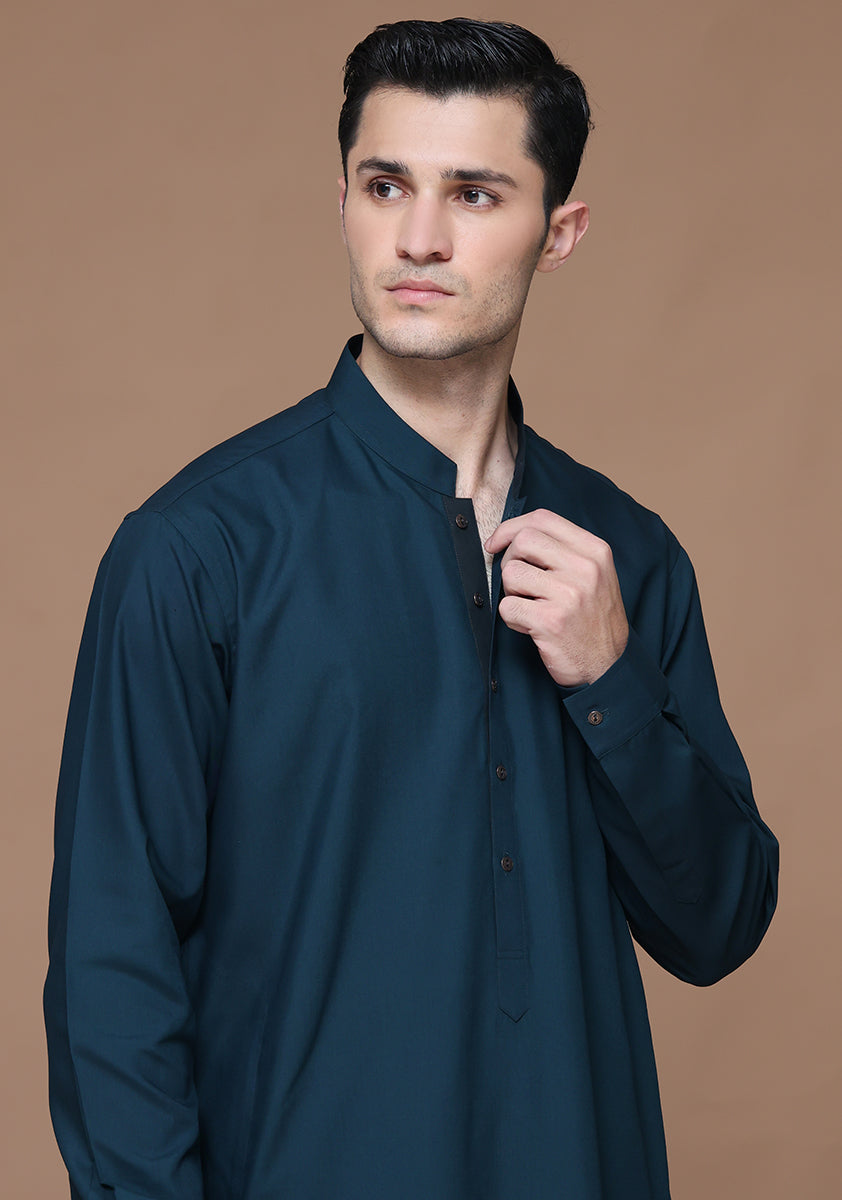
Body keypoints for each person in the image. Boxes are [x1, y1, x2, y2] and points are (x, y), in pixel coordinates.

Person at [44, 17, 778, 1200]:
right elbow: (110, 969)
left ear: (558, 233)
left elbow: (717, 925)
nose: (419, 238)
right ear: (341, 202)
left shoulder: (625, 557)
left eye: (475, 195)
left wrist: (612, 684)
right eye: (386, 186)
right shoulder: (197, 548)